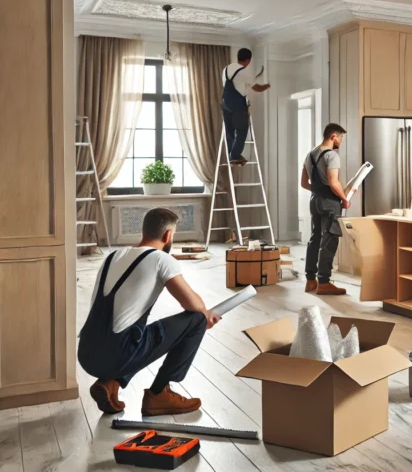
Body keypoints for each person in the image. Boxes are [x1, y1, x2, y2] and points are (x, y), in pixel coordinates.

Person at [78, 208, 221, 416]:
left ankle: (110, 383)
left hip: (86, 353)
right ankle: (159, 393)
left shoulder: (113, 256)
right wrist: (207, 316)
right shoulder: (161, 259)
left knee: (136, 335)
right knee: (197, 320)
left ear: (144, 231)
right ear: (168, 235)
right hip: (116, 354)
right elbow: (195, 306)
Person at [301, 123, 350, 295]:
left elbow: (303, 183)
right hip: (329, 203)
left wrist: (317, 191)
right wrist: (344, 198)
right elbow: (333, 181)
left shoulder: (310, 155)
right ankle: (324, 282)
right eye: (341, 138)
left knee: (315, 239)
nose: (341, 142)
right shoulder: (332, 156)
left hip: (314, 201)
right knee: (329, 240)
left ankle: (310, 280)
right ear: (333, 137)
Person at [221, 48, 270, 165]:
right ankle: (235, 155)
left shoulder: (226, 69)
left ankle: (231, 154)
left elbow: (236, 84)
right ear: (248, 59)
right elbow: (256, 88)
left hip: (225, 103)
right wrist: (267, 86)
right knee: (242, 129)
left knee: (230, 131)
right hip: (236, 104)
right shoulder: (244, 71)